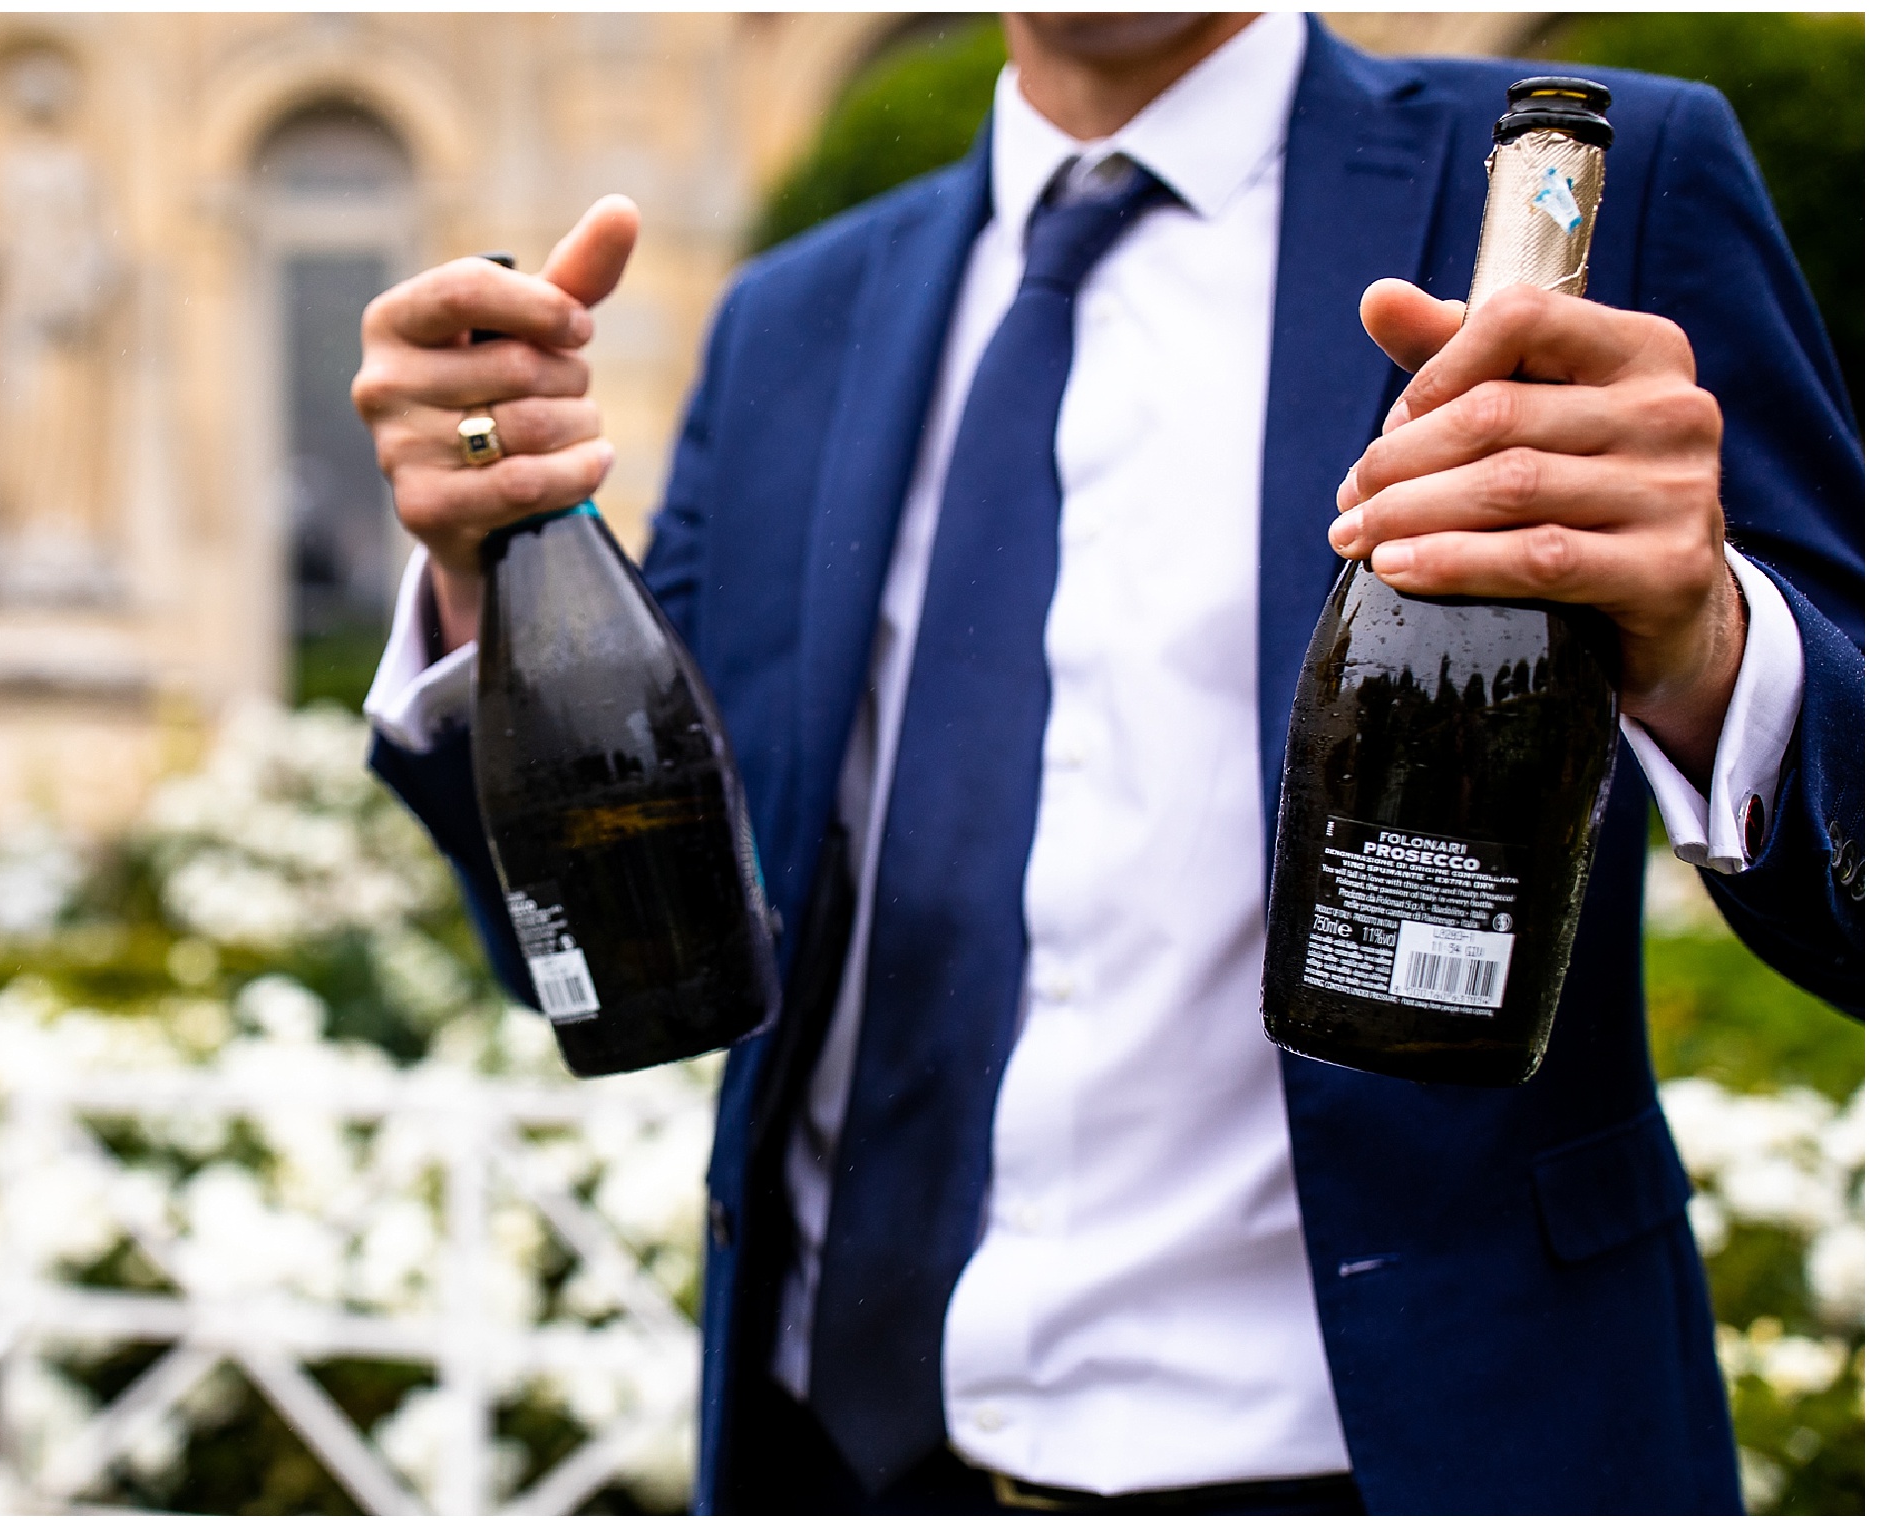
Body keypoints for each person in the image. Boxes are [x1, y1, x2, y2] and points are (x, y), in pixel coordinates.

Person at [353, 14, 1862, 1514]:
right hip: (837, 1459)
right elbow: (629, 920)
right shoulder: (789, 317)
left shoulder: (1583, 180)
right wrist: (487, 578)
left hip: (1395, 1457)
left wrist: (1708, 643)